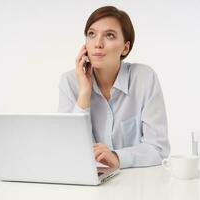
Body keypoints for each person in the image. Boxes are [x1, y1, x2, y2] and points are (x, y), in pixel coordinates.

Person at [58, 6, 170, 169]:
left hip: (136, 185)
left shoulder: (144, 78)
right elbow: (68, 150)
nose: (98, 43)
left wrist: (117, 157)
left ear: (125, 47)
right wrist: (84, 95)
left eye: (109, 35)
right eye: (92, 34)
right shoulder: (70, 81)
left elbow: (159, 149)